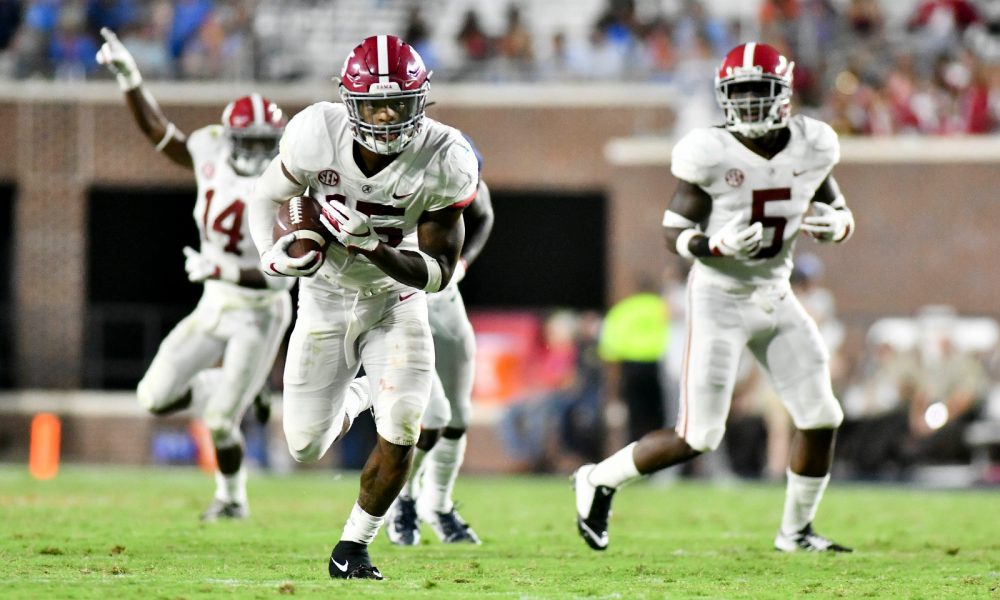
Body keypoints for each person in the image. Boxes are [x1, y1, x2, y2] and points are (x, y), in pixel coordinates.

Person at [574, 42, 855, 553]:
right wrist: (714, 244)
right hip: (720, 297)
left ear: (784, 95)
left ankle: (795, 531)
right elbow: (674, 230)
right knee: (699, 435)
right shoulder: (709, 150)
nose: (748, 103)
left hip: (775, 293)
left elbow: (837, 207)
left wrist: (838, 224)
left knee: (821, 417)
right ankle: (598, 478)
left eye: (758, 91)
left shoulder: (814, 143)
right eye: (739, 93)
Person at [247, 35, 478, 581]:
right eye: (372, 104)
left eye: (396, 104)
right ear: (348, 102)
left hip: (395, 301)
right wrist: (272, 255)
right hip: (324, 298)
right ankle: (360, 391)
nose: (383, 116)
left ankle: (353, 547)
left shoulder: (446, 156)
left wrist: (375, 246)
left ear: (420, 102)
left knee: (403, 424)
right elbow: (265, 195)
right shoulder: (315, 131)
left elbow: (441, 272)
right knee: (305, 444)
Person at [95, 28, 293, 521]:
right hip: (214, 301)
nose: (255, 153)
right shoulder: (209, 150)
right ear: (229, 139)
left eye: (265, 144)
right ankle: (236, 387)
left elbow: (282, 278)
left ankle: (232, 498)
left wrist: (221, 266)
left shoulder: (289, 185)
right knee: (154, 397)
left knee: (222, 421)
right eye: (248, 143)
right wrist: (131, 79)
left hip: (260, 311)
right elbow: (161, 134)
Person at [385, 137, 493, 546]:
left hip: (446, 302)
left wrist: (462, 263)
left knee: (459, 415)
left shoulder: (460, 164)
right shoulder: (387, 179)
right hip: (402, 305)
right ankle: (403, 500)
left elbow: (484, 215)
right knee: (431, 417)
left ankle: (439, 505)